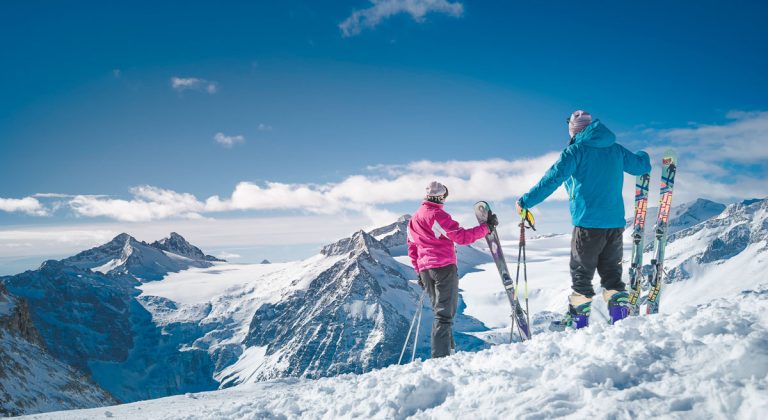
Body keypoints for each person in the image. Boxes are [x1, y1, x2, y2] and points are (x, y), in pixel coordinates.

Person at [516, 110, 651, 330]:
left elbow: (552, 179)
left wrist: (525, 202)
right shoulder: (616, 149)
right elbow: (641, 166)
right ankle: (620, 320)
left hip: (587, 224)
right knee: (612, 274)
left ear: (573, 130)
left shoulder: (575, 151)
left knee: (582, 274)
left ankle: (578, 323)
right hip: (615, 224)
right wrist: (643, 154)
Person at [407, 181, 497, 357]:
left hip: (426, 270)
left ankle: (449, 354)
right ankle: (440, 359)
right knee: (444, 316)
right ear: (440, 197)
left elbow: (412, 248)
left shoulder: (414, 219)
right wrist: (486, 228)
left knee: (440, 314)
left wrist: (419, 271)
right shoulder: (437, 215)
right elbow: (461, 237)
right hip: (443, 268)